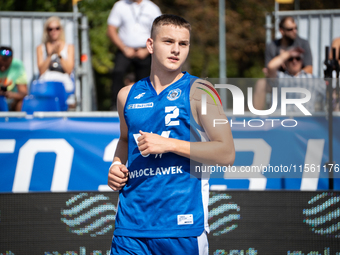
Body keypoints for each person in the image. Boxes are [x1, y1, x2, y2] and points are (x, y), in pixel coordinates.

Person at [107, 14, 235, 255]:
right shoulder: (126, 95)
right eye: (168, 42)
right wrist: (116, 165)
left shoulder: (200, 91)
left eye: (183, 44)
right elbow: (125, 140)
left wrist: (169, 144)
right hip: (130, 228)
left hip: (182, 228)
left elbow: (227, 152)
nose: (176, 50)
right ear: (150, 45)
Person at [107, 0, 161, 110]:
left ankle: (145, 106)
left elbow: (160, 32)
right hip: (124, 49)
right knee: (118, 72)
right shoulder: (120, 5)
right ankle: (116, 106)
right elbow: (111, 30)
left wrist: (147, 50)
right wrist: (124, 48)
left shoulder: (152, 8)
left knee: (145, 79)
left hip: (145, 50)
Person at [254, 16, 314, 110]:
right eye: (290, 29)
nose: (294, 31)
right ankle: (257, 119)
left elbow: (309, 69)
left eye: (295, 28)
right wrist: (285, 57)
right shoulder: (272, 46)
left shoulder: (303, 43)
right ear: (282, 31)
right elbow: (269, 70)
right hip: (276, 80)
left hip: (297, 79)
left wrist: (292, 73)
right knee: (261, 84)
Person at [267, 47, 325, 113]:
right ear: (284, 63)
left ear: (302, 61)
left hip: (306, 121)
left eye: (298, 58)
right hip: (281, 120)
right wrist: (288, 53)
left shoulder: (314, 79)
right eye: (290, 59)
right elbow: (271, 66)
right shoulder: (279, 77)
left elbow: (331, 95)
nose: (294, 61)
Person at [36, 16, 75, 106]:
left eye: (57, 28)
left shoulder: (69, 47)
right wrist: (50, 55)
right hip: (47, 81)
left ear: (61, 30)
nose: (54, 31)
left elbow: (69, 70)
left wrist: (59, 55)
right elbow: (41, 70)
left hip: (64, 81)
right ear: (47, 31)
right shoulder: (40, 48)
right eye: (50, 29)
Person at [0, 46, 28, 111]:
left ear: (11, 59)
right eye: (1, 64)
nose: (3, 68)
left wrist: (12, 95)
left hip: (12, 102)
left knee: (20, 102)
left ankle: (19, 120)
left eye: (6, 64)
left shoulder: (17, 65)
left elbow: (23, 93)